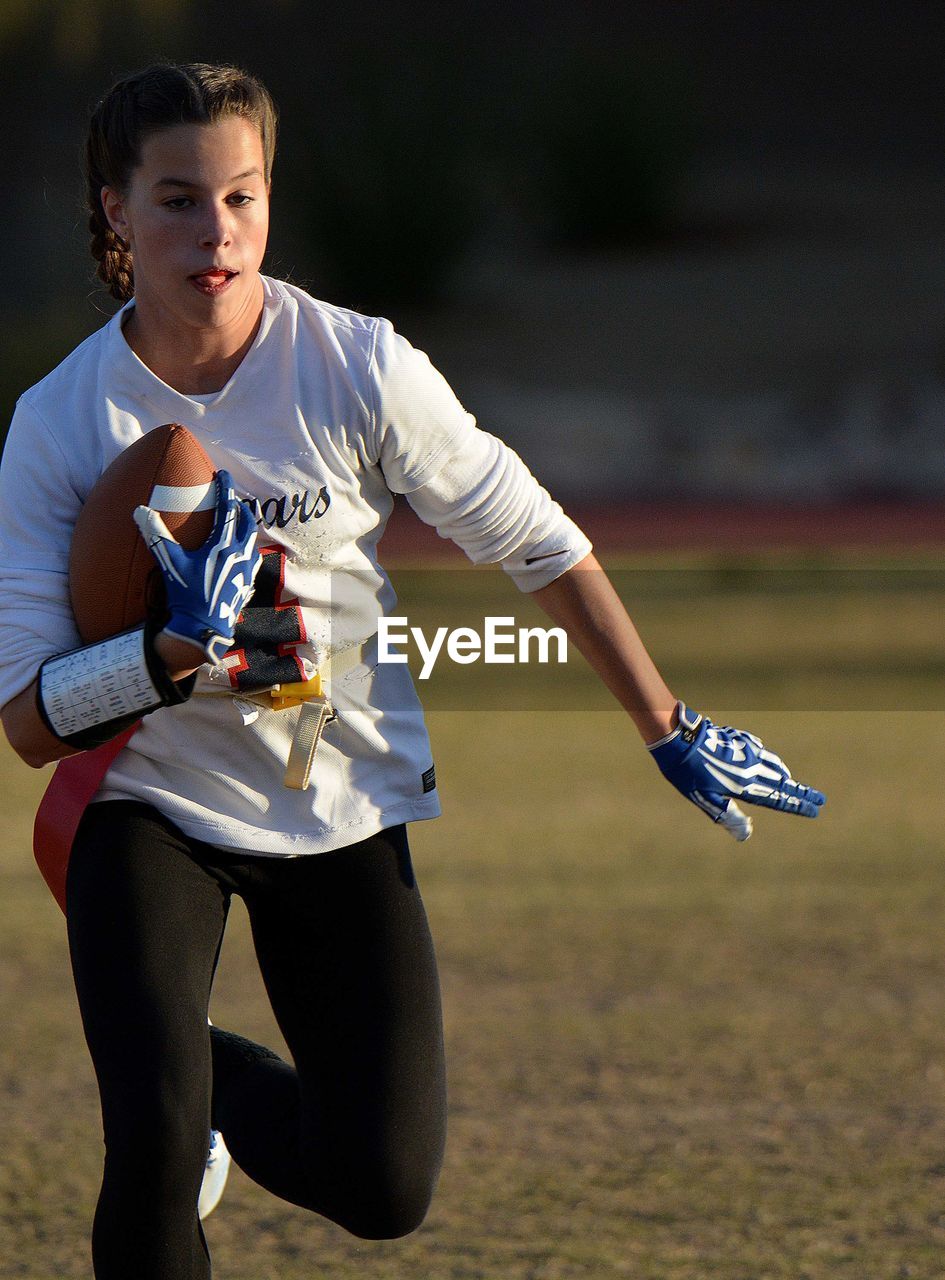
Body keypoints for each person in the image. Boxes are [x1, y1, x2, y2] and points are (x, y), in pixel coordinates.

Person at [0, 62, 825, 1280]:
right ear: (115, 211)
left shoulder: (355, 365)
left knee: (382, 1183)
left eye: (242, 195)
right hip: (152, 807)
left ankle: (194, 1069)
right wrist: (175, 655)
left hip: (340, 801)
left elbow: (537, 539)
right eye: (176, 198)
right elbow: (26, 719)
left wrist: (666, 720)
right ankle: (170, 1079)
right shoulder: (61, 421)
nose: (215, 231)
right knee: (152, 1145)